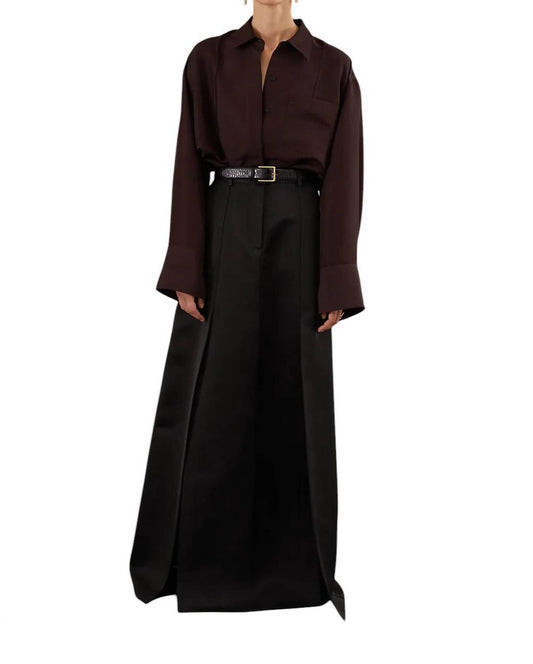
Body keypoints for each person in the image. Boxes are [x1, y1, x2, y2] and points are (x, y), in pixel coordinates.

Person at [130, 0, 364, 621]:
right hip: (225, 220)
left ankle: (296, 572)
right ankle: (195, 565)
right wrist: (186, 266)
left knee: (294, 393)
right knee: (209, 392)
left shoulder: (334, 67)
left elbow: (345, 178)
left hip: (300, 225)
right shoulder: (207, 59)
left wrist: (337, 280)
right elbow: (187, 163)